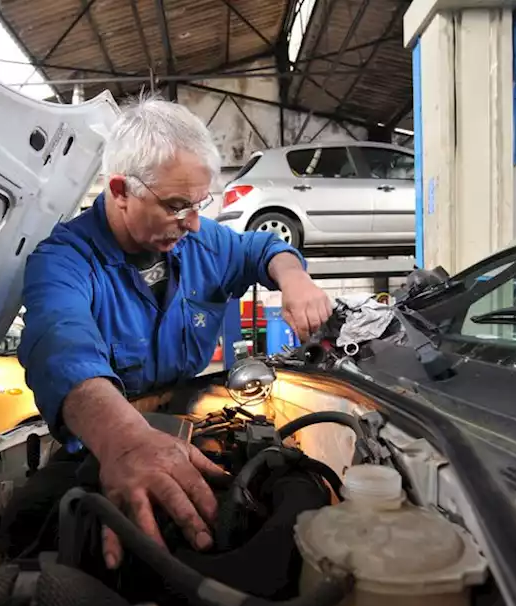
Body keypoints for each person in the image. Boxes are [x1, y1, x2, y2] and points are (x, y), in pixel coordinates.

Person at [18, 96, 333, 569]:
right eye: (176, 206)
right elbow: (62, 348)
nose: (191, 222)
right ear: (121, 189)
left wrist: (295, 279)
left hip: (188, 422)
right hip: (108, 443)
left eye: (199, 204)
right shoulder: (64, 261)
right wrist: (124, 443)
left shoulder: (202, 241)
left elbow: (262, 248)